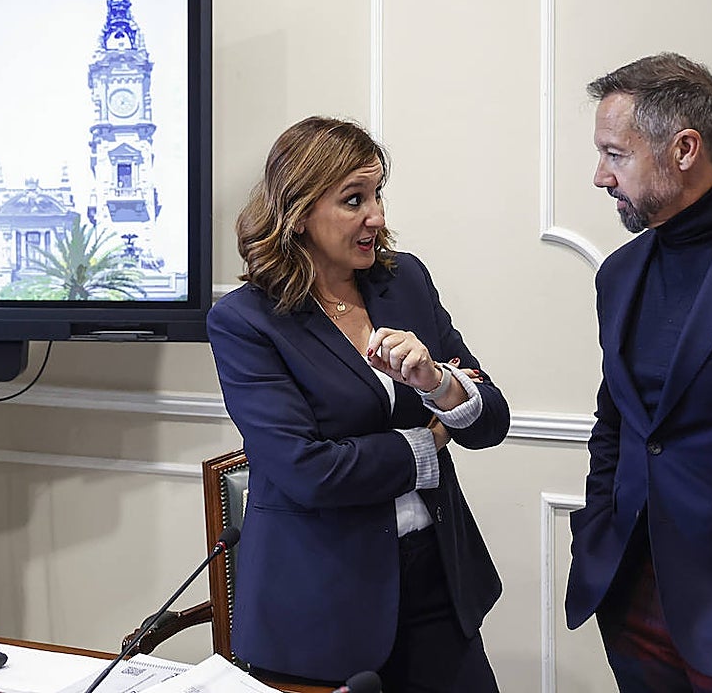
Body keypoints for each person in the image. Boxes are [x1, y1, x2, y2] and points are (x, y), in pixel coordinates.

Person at [206, 116, 510, 691]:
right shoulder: (245, 321)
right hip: (322, 603)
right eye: (354, 200)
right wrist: (426, 444)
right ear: (298, 212)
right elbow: (307, 470)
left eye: (377, 195)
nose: (377, 217)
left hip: (435, 580)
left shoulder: (405, 279)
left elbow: (490, 420)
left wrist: (436, 383)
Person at [565, 53, 712, 691]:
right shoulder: (619, 273)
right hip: (632, 599)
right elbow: (615, 423)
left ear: (684, 149)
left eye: (615, 154)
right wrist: (595, 527)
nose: (599, 176)